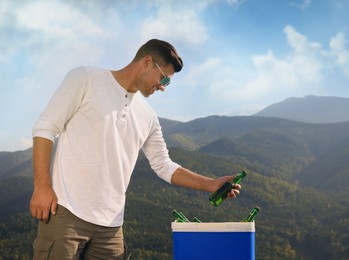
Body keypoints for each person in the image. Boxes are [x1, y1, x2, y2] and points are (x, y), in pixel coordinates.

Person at [30, 39, 241, 259]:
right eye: (164, 79)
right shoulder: (86, 78)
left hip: (111, 228)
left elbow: (164, 165)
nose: (163, 86)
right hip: (66, 213)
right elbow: (45, 128)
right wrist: (42, 187)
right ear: (147, 62)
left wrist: (210, 184)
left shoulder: (148, 116)